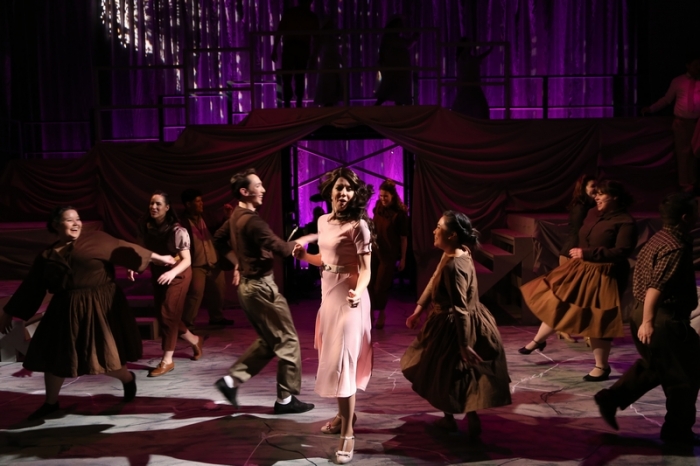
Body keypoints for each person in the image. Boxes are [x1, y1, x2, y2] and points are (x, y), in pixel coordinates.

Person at [0, 206, 175, 420]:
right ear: (56, 225)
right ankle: (51, 403)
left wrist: (160, 258)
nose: (76, 224)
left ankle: (127, 378)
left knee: (104, 358)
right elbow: (32, 286)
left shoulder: (96, 240)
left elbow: (126, 248)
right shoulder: (47, 256)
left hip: (98, 307)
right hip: (64, 310)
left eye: (78, 219)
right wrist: (9, 312)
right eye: (69, 220)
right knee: (55, 358)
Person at [595, 192, 700, 445]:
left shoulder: (658, 239)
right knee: (683, 376)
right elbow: (656, 286)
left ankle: (612, 398)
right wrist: (649, 321)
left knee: (656, 367)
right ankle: (677, 433)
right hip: (661, 318)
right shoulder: (674, 246)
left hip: (644, 313)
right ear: (685, 217)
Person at [213, 168, 316, 414]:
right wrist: (306, 239)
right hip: (261, 289)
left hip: (249, 289)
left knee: (270, 341)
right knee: (287, 340)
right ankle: (285, 400)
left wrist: (237, 262)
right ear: (244, 191)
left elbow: (218, 240)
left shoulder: (236, 216)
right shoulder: (252, 221)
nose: (263, 189)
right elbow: (282, 249)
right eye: (258, 186)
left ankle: (231, 381)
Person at [400, 211, 511, 436]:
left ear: (451, 235)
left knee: (450, 371)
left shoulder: (455, 265)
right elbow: (434, 279)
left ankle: (462, 418)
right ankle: (456, 417)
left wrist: (464, 343)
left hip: (454, 324)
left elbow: (460, 307)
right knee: (450, 371)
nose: (434, 231)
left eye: (439, 227)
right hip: (454, 319)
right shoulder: (456, 252)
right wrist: (419, 309)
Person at [518, 180, 638, 381]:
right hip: (582, 268)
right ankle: (538, 340)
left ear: (615, 197)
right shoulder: (593, 213)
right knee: (559, 303)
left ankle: (602, 367)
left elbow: (622, 251)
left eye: (601, 194)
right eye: (596, 193)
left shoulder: (625, 222)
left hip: (605, 274)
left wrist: (588, 253)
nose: (596, 197)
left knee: (598, 318)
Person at [295, 167, 374, 464]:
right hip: (329, 297)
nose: (343, 193)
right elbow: (326, 261)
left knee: (344, 364)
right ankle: (343, 417)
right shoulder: (322, 222)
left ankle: (348, 434)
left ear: (355, 194)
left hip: (351, 300)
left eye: (349, 188)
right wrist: (304, 257)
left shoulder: (359, 226)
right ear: (330, 192)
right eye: (339, 187)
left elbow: (366, 270)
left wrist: (358, 292)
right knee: (334, 360)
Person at [134, 191, 203, 377]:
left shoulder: (177, 230)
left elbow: (187, 260)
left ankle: (167, 360)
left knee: (168, 314)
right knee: (165, 314)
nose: (154, 207)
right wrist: (135, 266)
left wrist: (172, 272)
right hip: (159, 273)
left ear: (167, 207)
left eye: (158, 204)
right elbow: (142, 251)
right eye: (151, 203)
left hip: (178, 273)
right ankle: (195, 340)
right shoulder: (146, 226)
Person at [642, 56, 700, 192]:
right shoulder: (678, 81)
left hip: (698, 123)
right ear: (688, 65)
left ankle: (695, 181)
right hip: (682, 123)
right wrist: (651, 109)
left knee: (696, 153)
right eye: (695, 64)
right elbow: (667, 99)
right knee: (683, 153)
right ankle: (685, 183)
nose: (698, 67)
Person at [179, 188, 233, 329]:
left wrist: (227, 218)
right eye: (198, 201)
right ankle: (187, 323)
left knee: (218, 292)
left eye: (201, 200)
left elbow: (221, 231)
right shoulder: (182, 222)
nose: (201, 203)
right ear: (188, 204)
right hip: (197, 265)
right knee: (195, 293)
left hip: (214, 262)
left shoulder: (207, 217)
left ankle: (216, 318)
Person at [556, 174, 597, 343]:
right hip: (573, 253)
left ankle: (575, 330)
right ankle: (578, 331)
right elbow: (581, 233)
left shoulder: (589, 206)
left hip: (578, 252)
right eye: (592, 186)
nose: (596, 189)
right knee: (577, 295)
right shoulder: (581, 208)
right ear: (583, 188)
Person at [369, 179, 408, 329]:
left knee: (380, 286)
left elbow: (403, 239)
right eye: (381, 196)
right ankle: (370, 313)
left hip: (388, 255)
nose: (383, 199)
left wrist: (403, 258)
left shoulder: (400, 214)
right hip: (374, 251)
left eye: (386, 196)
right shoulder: (378, 207)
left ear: (392, 195)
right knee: (369, 283)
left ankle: (382, 313)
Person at [270, 0, 320, 108]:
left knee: (290, 77)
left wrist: (274, 49)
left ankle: (291, 103)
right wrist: (314, 56)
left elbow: (280, 30)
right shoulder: (310, 16)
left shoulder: (292, 13)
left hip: (293, 46)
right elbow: (317, 38)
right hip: (300, 47)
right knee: (297, 76)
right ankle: (296, 103)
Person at [374, 17, 419, 106]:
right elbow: (406, 44)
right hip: (395, 69)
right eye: (400, 25)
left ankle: (396, 108)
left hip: (397, 69)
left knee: (395, 91)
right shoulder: (391, 38)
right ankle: (380, 108)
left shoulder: (389, 38)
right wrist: (414, 38)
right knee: (392, 90)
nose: (402, 28)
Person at [451, 38, 492, 119]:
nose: (470, 47)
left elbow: (480, 58)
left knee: (478, 109)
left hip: (472, 87)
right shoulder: (462, 58)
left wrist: (489, 50)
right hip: (469, 87)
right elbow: (478, 58)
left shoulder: (465, 58)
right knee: (476, 109)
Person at [313, 17, 344, 107]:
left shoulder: (330, 38)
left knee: (331, 82)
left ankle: (330, 101)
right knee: (328, 81)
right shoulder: (325, 38)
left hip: (331, 62)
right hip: (328, 62)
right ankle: (328, 102)